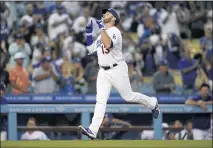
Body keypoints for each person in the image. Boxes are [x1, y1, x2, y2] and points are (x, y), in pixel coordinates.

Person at [78, 8, 160, 139]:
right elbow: (90, 50)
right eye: (105, 13)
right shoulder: (101, 34)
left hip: (117, 69)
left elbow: (108, 45)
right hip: (103, 71)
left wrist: (101, 28)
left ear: (114, 19)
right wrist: (88, 35)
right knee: (100, 101)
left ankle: (152, 103)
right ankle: (93, 130)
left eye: (108, 13)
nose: (105, 14)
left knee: (128, 97)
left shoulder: (116, 31)